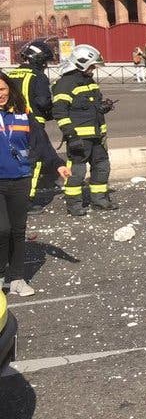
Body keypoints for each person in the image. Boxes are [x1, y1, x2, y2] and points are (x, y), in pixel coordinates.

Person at [1, 70, 70, 296]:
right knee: (3, 230)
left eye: (2, 89)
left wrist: (56, 164)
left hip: (20, 179)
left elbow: (40, 142)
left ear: (9, 89)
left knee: (18, 231)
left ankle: (17, 278)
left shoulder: (23, 113)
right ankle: (2, 275)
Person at [51, 45, 115, 215]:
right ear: (81, 63)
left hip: (97, 136)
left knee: (102, 167)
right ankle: (74, 206)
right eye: (92, 66)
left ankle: (100, 201)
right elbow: (59, 111)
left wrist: (103, 107)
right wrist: (71, 135)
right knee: (77, 172)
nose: (93, 69)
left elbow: (92, 106)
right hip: (79, 138)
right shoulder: (64, 84)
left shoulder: (89, 82)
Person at [7, 40, 57, 211]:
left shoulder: (11, 74)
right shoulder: (38, 76)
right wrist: (52, 111)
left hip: (8, 124)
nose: (45, 65)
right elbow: (43, 102)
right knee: (33, 162)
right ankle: (26, 200)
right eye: (45, 61)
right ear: (38, 59)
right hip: (31, 124)